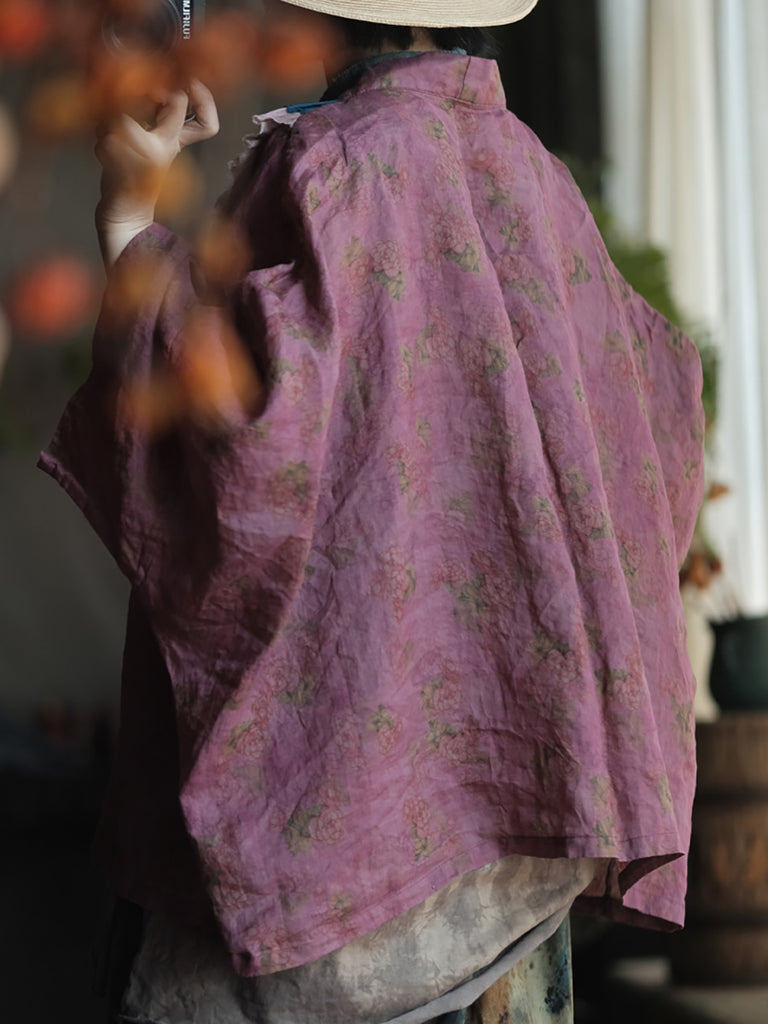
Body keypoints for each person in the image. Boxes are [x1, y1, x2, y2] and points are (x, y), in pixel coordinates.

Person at [40, 1, 705, 1021]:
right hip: (519, 865)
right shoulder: (538, 179)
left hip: (338, 878)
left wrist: (130, 221)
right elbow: (655, 402)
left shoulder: (324, 166)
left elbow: (235, 453)